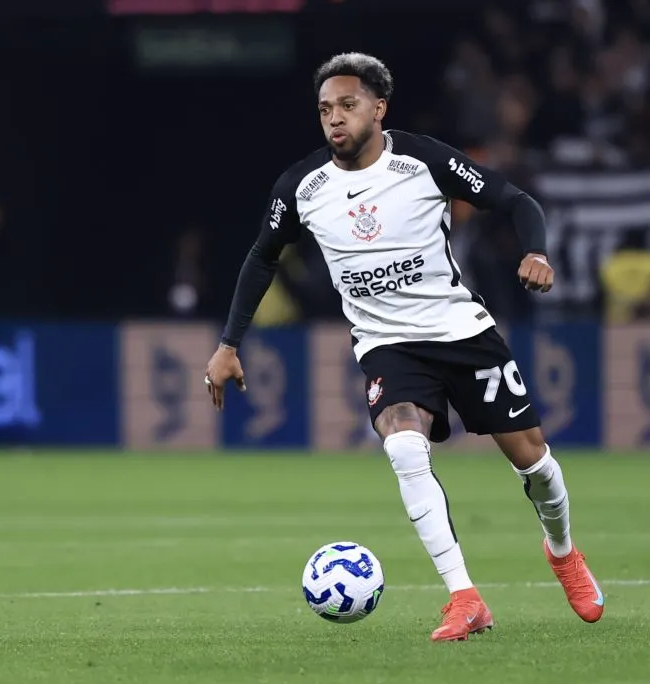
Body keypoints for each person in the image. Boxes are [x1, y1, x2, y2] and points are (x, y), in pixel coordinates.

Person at [203, 53, 604, 642]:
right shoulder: (301, 187)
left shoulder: (424, 159)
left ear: (378, 108)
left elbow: (517, 201)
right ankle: (465, 597)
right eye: (324, 110)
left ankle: (563, 551)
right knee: (403, 446)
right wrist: (228, 343)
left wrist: (536, 251)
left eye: (347, 105)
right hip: (387, 346)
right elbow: (263, 256)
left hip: (461, 333)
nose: (334, 119)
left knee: (534, 460)